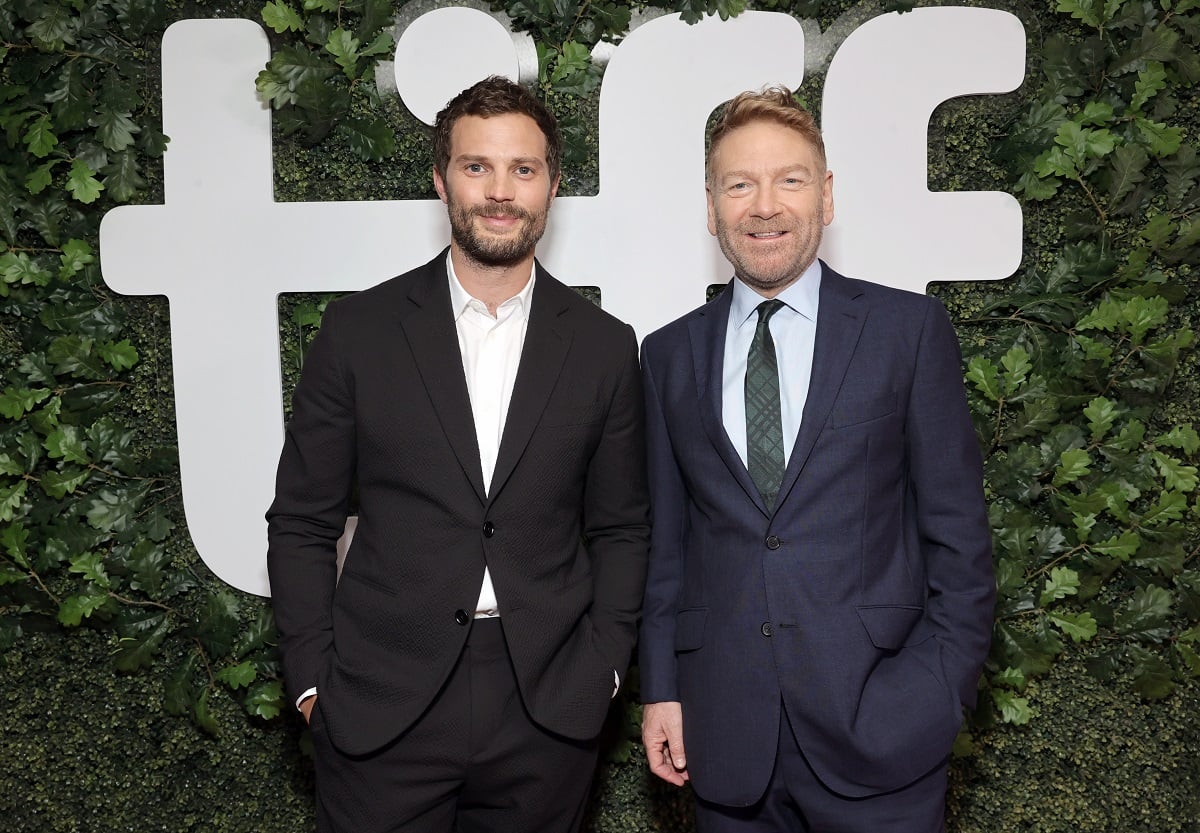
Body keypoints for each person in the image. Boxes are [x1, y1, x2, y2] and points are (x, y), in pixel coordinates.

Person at [267, 76, 650, 833]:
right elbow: (303, 522)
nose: (501, 192)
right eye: (477, 167)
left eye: (523, 169)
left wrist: (603, 667)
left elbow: (621, 528)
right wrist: (313, 678)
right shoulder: (358, 333)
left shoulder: (605, 347)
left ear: (553, 185)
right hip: (383, 700)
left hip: (547, 702)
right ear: (441, 179)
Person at [638, 86, 995, 832]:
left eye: (789, 180)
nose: (764, 206)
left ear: (825, 196)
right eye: (740, 184)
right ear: (711, 206)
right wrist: (662, 688)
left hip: (885, 740)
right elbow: (668, 550)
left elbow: (959, 540)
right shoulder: (667, 355)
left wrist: (938, 693)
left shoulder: (909, 332)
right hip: (725, 742)